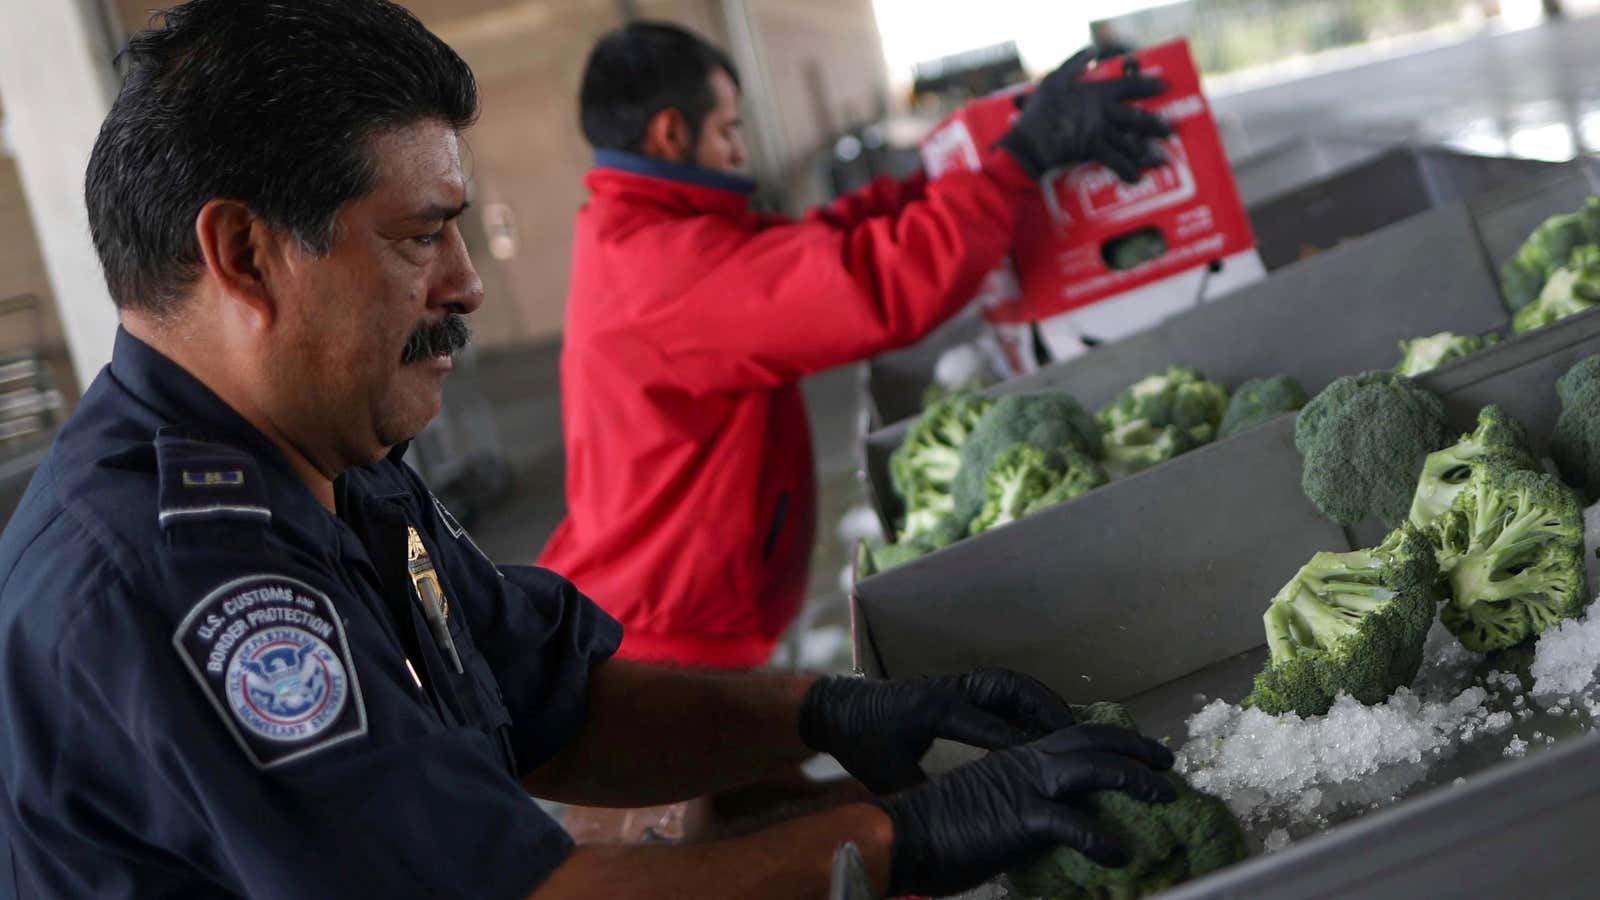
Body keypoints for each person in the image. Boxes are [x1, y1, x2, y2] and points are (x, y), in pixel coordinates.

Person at [0, 3, 1181, 898]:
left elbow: (547, 699)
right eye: (422, 236)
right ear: (247, 257)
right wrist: (902, 838)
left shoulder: (326, 452)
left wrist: (829, 713)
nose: (464, 285)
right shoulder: (172, 579)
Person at [539, 22, 1171, 669]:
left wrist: (932, 179)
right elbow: (871, 284)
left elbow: (807, 249)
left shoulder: (634, 233)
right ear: (670, 133)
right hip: (657, 633)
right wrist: (1018, 164)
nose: (739, 151)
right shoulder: (666, 269)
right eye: (729, 131)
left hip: (658, 606)